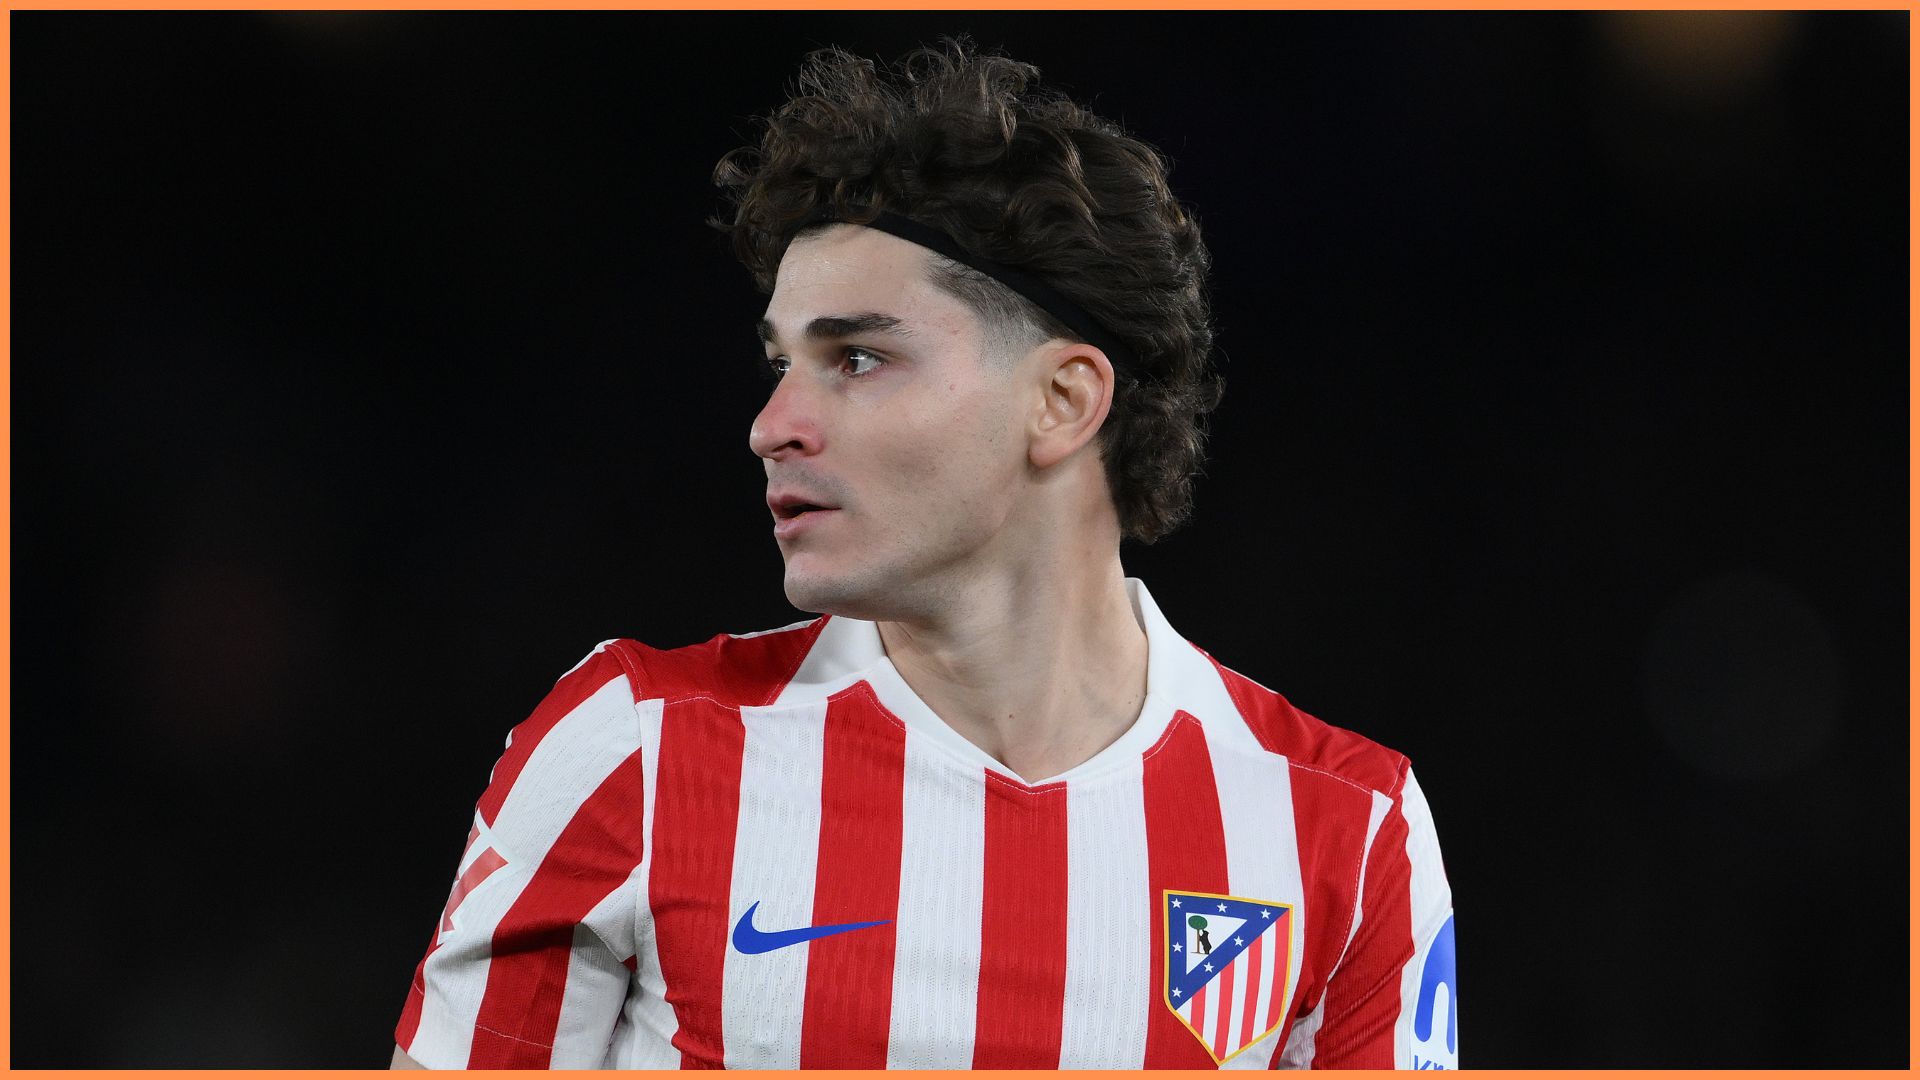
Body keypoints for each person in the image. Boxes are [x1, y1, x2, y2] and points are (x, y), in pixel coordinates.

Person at [392, 38, 1456, 1070]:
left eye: (856, 357)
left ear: (1063, 400)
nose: (774, 424)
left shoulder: (1345, 833)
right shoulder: (638, 752)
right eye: (781, 361)